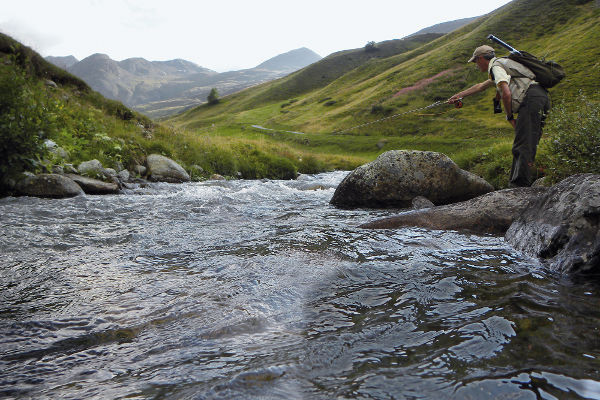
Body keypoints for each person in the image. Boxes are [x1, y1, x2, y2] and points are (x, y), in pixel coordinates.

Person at [448, 45, 550, 187]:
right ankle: (522, 183)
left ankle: (518, 187)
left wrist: (509, 116)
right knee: (529, 141)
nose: (476, 65)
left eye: (475, 62)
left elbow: (506, 93)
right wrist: (458, 96)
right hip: (542, 97)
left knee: (522, 145)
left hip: (531, 99)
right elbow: (480, 86)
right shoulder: (503, 64)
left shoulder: (496, 66)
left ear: (481, 58)